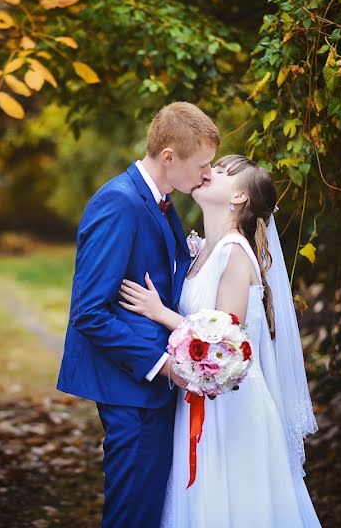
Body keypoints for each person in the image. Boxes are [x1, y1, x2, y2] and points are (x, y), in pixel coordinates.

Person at [118, 154, 322, 527]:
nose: (209, 171)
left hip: (232, 409)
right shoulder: (200, 253)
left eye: (223, 171)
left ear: (239, 197)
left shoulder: (235, 253)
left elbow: (224, 342)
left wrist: (160, 311)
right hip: (202, 398)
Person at [56, 102, 220, 527]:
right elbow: (90, 311)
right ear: (169, 157)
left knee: (148, 513)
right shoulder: (118, 203)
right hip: (131, 391)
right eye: (201, 165)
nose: (206, 174)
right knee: (131, 516)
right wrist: (164, 365)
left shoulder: (160, 203)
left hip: (151, 393)